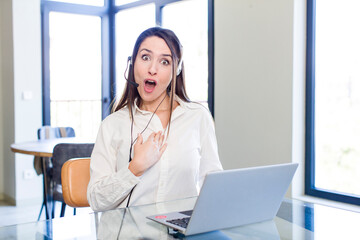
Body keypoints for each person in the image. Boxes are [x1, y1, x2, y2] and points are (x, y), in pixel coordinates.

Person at [87, 27, 222, 212]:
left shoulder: (198, 117)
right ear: (132, 63)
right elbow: (97, 201)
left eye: (165, 61)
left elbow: (213, 185)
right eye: (145, 57)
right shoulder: (112, 125)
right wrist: (135, 168)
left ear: (177, 70)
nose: (152, 69)